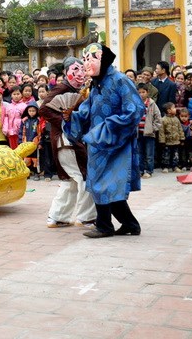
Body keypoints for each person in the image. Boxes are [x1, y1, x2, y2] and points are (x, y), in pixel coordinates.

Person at [64, 43, 142, 239]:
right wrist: (71, 117)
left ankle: (105, 225)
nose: (88, 64)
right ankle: (130, 224)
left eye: (92, 59)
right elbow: (86, 111)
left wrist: (111, 126)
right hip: (97, 143)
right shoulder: (96, 85)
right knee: (103, 184)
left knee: (105, 184)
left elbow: (135, 110)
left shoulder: (120, 81)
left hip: (116, 142)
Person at [41, 56, 96, 228]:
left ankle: (58, 217)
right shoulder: (62, 87)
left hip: (67, 141)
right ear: (66, 72)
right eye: (75, 69)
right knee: (85, 177)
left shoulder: (80, 91)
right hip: (66, 141)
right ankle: (86, 217)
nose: (80, 73)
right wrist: (66, 122)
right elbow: (44, 109)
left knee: (70, 180)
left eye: (82, 69)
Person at [137, 83, 161, 178]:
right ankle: (140, 170)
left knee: (149, 154)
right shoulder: (135, 104)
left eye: (143, 92)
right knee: (139, 154)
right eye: (139, 92)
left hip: (149, 134)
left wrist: (153, 129)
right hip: (138, 133)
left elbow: (158, 118)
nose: (141, 94)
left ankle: (149, 171)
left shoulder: (152, 104)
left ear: (147, 92)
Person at [158, 102, 184, 172]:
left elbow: (180, 129)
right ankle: (165, 167)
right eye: (174, 108)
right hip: (167, 141)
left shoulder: (176, 119)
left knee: (175, 155)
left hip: (176, 141)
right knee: (166, 155)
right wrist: (162, 141)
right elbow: (161, 132)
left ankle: (175, 166)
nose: (175, 109)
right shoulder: (163, 120)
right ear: (169, 110)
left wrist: (182, 138)